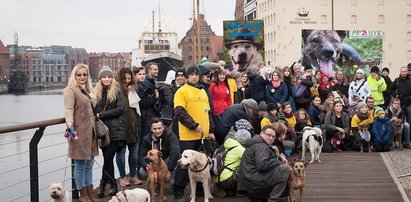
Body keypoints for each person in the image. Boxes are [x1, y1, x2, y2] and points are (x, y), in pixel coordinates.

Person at [173, 64, 215, 201]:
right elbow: (179, 112)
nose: (194, 77)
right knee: (184, 164)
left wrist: (211, 130)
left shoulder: (203, 90)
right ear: (186, 76)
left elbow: (208, 113)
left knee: (202, 164)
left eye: (196, 74)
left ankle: (200, 193)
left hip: (203, 135)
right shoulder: (181, 91)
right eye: (191, 74)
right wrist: (194, 125)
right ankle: (178, 192)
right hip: (188, 135)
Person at [63, 63, 98, 202]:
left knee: (89, 164)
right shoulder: (70, 90)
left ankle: (90, 191)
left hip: (91, 132)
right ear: (74, 76)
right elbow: (69, 109)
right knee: (80, 164)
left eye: (85, 74)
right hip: (79, 132)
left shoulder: (89, 90)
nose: (82, 77)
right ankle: (82, 193)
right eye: (79, 74)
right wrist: (69, 123)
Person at [94, 66, 127, 198]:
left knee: (108, 158)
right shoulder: (97, 92)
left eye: (109, 77)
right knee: (108, 160)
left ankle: (102, 184)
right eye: (104, 77)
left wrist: (101, 115)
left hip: (116, 130)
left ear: (112, 78)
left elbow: (120, 109)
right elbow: (93, 110)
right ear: (100, 79)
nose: (106, 79)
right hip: (102, 132)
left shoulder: (117, 91)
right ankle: (113, 184)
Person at [237, 125, 290, 202]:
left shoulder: (256, 143)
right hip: (254, 181)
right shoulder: (261, 146)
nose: (271, 138)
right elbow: (262, 165)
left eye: (273, 136)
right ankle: (273, 199)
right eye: (269, 135)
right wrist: (278, 162)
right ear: (262, 133)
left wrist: (278, 157)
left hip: (249, 181)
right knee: (285, 169)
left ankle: (261, 196)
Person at [114, 68, 143, 187]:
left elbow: (137, 112)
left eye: (129, 78)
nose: (127, 81)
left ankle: (133, 175)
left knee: (134, 153)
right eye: (124, 78)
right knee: (120, 154)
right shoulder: (116, 92)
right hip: (121, 128)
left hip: (133, 126)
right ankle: (122, 176)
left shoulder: (133, 91)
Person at [215, 129, 252, 198]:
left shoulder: (228, 144)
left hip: (218, 179)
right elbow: (251, 161)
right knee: (246, 167)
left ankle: (225, 190)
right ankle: (240, 191)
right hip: (227, 181)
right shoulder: (240, 149)